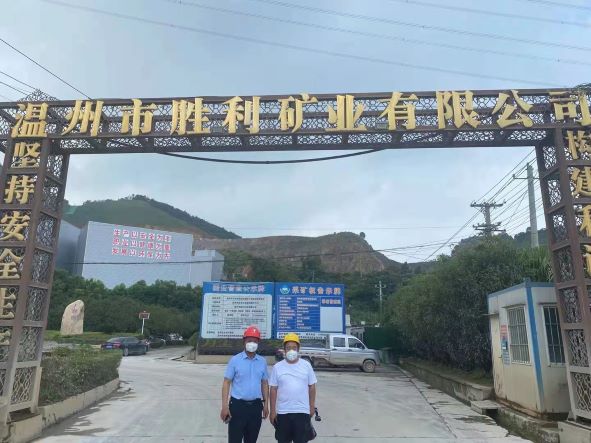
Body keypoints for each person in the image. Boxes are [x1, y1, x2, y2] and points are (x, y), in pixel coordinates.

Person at [221, 325, 269, 443]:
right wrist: (225, 406)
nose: (252, 343)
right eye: (249, 340)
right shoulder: (235, 360)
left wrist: (266, 404)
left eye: (255, 341)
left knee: (251, 440)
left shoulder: (262, 362)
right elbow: (226, 382)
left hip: (256, 407)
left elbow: (264, 383)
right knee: (234, 440)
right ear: (244, 341)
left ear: (258, 343)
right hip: (237, 406)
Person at [269, 333, 317, 443]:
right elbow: (273, 389)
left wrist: (311, 406)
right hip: (283, 412)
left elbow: (312, 386)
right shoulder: (277, 367)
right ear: (284, 350)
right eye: (288, 348)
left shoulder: (306, 365)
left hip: (302, 412)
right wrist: (272, 411)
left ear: (298, 349)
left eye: (294, 348)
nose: (291, 350)